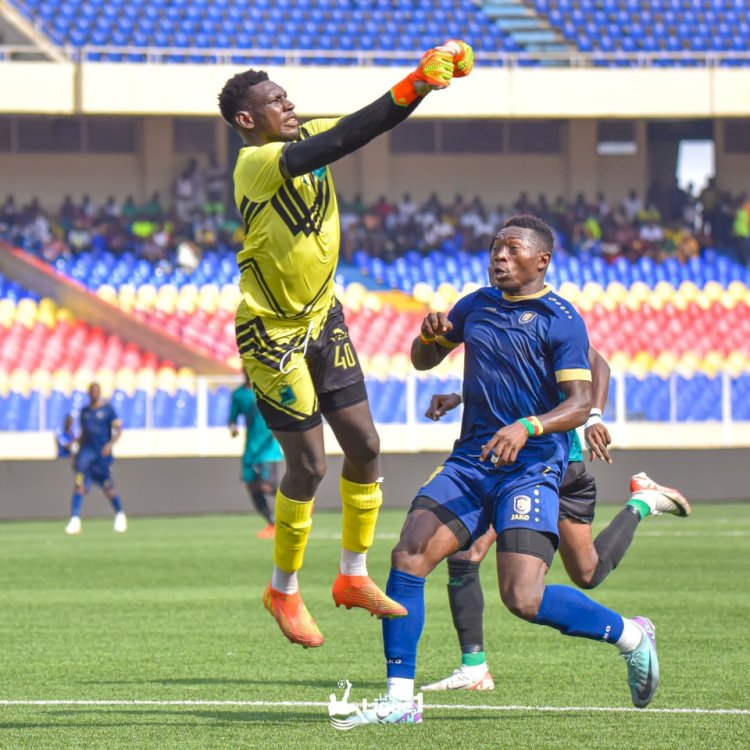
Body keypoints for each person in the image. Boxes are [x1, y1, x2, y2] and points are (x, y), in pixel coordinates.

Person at [329, 215, 663, 730]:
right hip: (471, 460)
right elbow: (423, 361)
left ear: (541, 260)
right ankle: (400, 698)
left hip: (531, 468)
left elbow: (576, 404)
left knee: (523, 598)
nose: (499, 257)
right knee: (408, 554)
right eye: (494, 249)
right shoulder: (474, 305)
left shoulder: (561, 319)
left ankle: (631, 637)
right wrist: (428, 337)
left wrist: (527, 427)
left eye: (511, 249)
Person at [217, 41, 474, 649]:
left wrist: (424, 84)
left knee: (365, 445)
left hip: (322, 318)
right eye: (275, 101)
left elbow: (367, 122)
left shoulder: (306, 136)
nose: (289, 104)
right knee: (308, 464)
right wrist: (414, 81)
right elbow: (337, 143)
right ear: (246, 120)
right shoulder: (256, 163)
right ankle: (282, 589)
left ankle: (352, 578)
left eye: (287, 96)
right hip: (271, 333)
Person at [418, 371, 690, 692]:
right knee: (469, 553)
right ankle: (474, 668)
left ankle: (642, 503)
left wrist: (593, 419)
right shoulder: (506, 325)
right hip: (513, 464)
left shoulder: (555, 322)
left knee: (587, 573)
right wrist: (461, 396)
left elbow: (597, 364)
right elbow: (505, 378)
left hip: (555, 464)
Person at [64, 383, 127, 536]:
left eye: (96, 392)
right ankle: (75, 520)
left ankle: (120, 514)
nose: (94, 394)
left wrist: (110, 445)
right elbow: (84, 435)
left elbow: (118, 431)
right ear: (89, 394)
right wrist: (72, 439)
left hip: (101, 455)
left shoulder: (107, 410)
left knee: (107, 486)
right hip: (86, 455)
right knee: (79, 485)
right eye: (91, 392)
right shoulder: (85, 412)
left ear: (99, 393)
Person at [229, 373, 284, 539]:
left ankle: (299, 498)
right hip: (250, 449)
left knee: (267, 486)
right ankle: (272, 522)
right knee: (252, 486)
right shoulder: (238, 394)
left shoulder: (268, 388)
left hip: (267, 447)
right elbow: (232, 418)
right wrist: (233, 428)